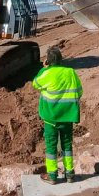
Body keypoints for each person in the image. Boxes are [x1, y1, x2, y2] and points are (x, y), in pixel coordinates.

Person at [32, 46, 83, 184]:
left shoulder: (47, 73)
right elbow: (79, 91)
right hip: (67, 117)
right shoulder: (71, 72)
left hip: (50, 118)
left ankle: (52, 175)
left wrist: (44, 68)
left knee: (51, 147)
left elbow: (35, 83)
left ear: (48, 61)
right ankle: (70, 174)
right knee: (67, 145)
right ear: (61, 59)